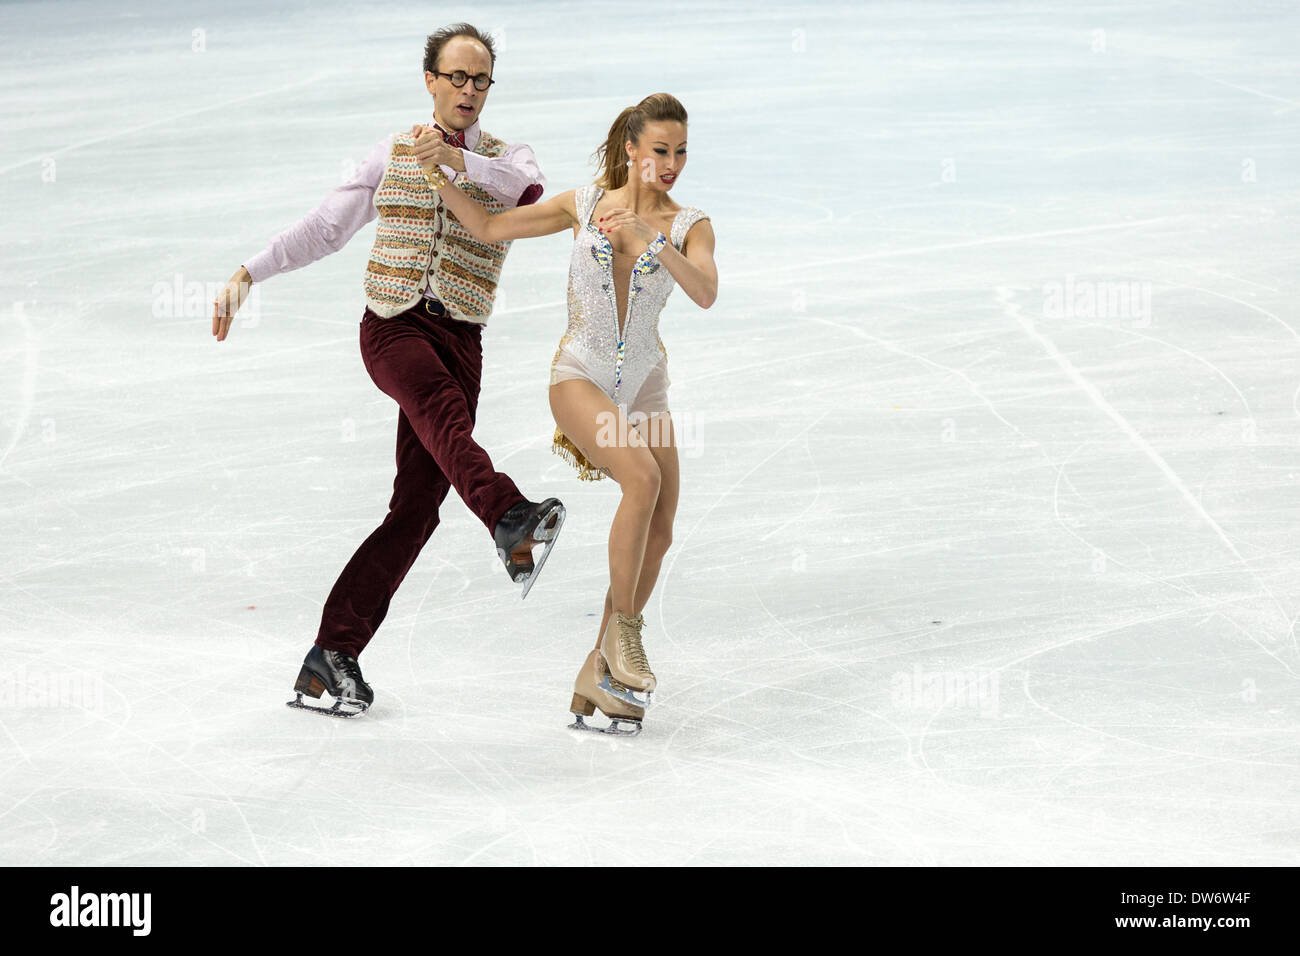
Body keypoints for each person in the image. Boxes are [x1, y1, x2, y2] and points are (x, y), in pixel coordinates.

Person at [209, 23, 564, 718]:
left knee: (417, 507)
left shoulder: (507, 158)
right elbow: (325, 228)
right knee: (437, 409)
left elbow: (526, 191)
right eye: (455, 77)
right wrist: (249, 272)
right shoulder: (389, 154)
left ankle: (330, 655)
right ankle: (508, 515)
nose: (468, 89)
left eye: (480, 79)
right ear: (429, 80)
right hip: (394, 326)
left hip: (462, 336)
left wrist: (457, 165)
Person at [415, 92, 718, 733]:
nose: (671, 164)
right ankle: (627, 639)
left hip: (646, 386)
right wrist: (438, 176)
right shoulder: (584, 205)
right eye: (660, 150)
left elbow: (705, 291)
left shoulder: (689, 222)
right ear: (631, 148)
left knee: (660, 528)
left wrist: (650, 238)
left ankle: (598, 670)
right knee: (642, 480)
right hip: (579, 376)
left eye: (681, 151)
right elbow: (491, 227)